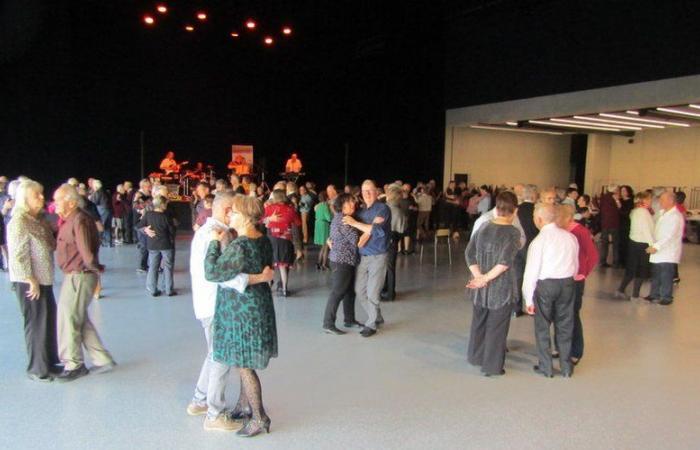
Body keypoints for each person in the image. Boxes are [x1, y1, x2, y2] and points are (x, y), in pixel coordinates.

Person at [187, 192, 274, 429]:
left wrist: (219, 244)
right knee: (226, 359)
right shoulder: (259, 239)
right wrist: (259, 277)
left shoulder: (235, 241)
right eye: (231, 210)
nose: (232, 214)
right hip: (238, 306)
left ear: (244, 217)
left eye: (235, 211)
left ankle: (232, 413)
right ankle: (211, 403)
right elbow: (223, 277)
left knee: (230, 360)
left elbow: (216, 273)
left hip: (238, 309)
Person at [53, 184, 116, 381]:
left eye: (58, 201)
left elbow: (86, 252)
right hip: (75, 275)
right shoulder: (71, 219)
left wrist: (95, 268)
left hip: (79, 276)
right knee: (78, 318)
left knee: (68, 318)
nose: (54, 205)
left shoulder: (79, 220)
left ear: (71, 202)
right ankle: (101, 358)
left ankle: (73, 364)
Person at [7, 180, 61, 382]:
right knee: (36, 323)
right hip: (30, 283)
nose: (41, 198)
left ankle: (49, 362)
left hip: (43, 280)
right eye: (36, 195)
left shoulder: (36, 219)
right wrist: (31, 280)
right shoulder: (19, 221)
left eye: (41, 193)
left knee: (47, 321)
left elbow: (50, 244)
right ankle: (37, 368)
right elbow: (18, 256)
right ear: (24, 200)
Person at [465, 191, 521, 377]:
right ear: (515, 211)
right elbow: (504, 263)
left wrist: (478, 277)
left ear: (496, 209)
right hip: (500, 288)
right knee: (497, 327)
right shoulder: (513, 233)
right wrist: (486, 278)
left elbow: (469, 253)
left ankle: (475, 356)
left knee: (479, 322)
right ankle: (492, 366)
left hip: (479, 287)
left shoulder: (484, 227)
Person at [522, 203, 579, 378]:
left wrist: (528, 300)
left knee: (542, 326)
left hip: (546, 286)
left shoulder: (539, 242)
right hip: (568, 284)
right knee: (565, 325)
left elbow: (531, 272)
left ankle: (546, 367)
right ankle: (566, 367)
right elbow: (575, 264)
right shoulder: (570, 237)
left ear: (539, 219)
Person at [343, 180, 391, 337]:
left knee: (372, 293)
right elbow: (344, 216)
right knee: (360, 290)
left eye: (370, 190)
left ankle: (371, 324)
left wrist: (358, 224)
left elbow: (376, 231)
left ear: (377, 192)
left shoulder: (383, 209)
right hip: (363, 257)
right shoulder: (362, 211)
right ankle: (377, 316)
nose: (368, 194)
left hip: (378, 256)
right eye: (364, 191)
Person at [556, 205, 598, 366]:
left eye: (560, 218)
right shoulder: (560, 231)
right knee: (559, 313)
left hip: (576, 279)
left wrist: (583, 273)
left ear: (569, 217)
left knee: (572, 313)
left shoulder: (580, 231)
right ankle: (560, 346)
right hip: (561, 277)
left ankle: (575, 350)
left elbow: (592, 255)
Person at [322, 193, 362, 334]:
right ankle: (328, 323)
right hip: (341, 261)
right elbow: (356, 240)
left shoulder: (345, 218)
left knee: (349, 292)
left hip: (347, 260)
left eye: (353, 202)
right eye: (349, 202)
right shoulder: (344, 220)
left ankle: (349, 319)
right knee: (338, 292)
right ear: (342, 205)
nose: (353, 205)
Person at [646, 191, 684, 306]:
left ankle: (666, 297)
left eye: (662, 200)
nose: (660, 202)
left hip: (668, 251)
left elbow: (669, 235)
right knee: (656, 274)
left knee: (666, 275)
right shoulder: (662, 213)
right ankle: (654, 294)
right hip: (658, 249)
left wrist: (656, 247)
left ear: (671, 201)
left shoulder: (675, 216)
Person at [615, 192, 654, 300]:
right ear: (643, 200)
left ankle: (621, 290)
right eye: (649, 199)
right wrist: (652, 245)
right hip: (642, 244)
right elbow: (646, 230)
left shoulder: (635, 211)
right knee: (642, 270)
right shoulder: (643, 212)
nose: (651, 201)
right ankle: (635, 295)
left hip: (634, 243)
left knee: (631, 269)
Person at [263, 189, 300, 296]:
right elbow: (297, 223)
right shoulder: (290, 210)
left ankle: (269, 287)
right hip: (285, 241)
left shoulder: (269, 209)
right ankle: (284, 289)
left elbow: (261, 220)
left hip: (272, 239)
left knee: (271, 264)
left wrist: (270, 219)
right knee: (283, 266)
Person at [138, 195, 177, 297]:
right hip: (166, 244)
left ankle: (153, 289)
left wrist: (145, 230)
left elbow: (139, 226)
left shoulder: (148, 215)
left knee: (153, 266)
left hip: (152, 244)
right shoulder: (166, 217)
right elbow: (171, 231)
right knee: (168, 266)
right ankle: (168, 289)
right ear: (162, 205)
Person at [382, 184, 406, 301]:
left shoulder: (385, 209)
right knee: (390, 267)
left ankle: (389, 293)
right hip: (394, 240)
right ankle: (389, 291)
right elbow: (402, 230)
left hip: (386, 240)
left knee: (386, 268)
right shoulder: (400, 211)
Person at [598, 184, 622, 268]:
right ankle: (615, 262)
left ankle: (602, 261)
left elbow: (600, 208)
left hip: (605, 223)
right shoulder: (615, 197)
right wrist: (617, 201)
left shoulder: (603, 197)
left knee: (604, 243)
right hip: (614, 223)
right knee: (615, 244)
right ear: (615, 190)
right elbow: (619, 207)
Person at [133, 179, 153, 273]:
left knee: (147, 244)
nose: (150, 188)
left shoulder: (148, 194)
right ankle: (142, 266)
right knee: (144, 245)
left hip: (146, 222)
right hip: (140, 223)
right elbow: (138, 208)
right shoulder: (139, 196)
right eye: (148, 186)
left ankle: (147, 265)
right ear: (143, 186)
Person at [314, 191, 332, 270]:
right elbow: (328, 218)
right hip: (324, 226)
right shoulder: (325, 206)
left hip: (318, 225)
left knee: (322, 246)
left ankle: (318, 262)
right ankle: (324, 264)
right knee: (326, 246)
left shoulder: (318, 206)